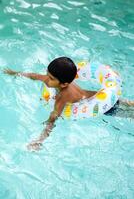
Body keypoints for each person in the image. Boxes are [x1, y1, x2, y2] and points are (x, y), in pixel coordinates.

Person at [3, 57, 134, 150]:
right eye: (47, 74)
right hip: (95, 95)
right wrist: (16, 73)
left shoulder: (63, 96)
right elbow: (35, 76)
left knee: (127, 113)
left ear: (64, 84)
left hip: (102, 107)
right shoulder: (53, 80)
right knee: (126, 104)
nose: (47, 80)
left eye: (51, 78)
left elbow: (53, 118)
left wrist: (39, 140)